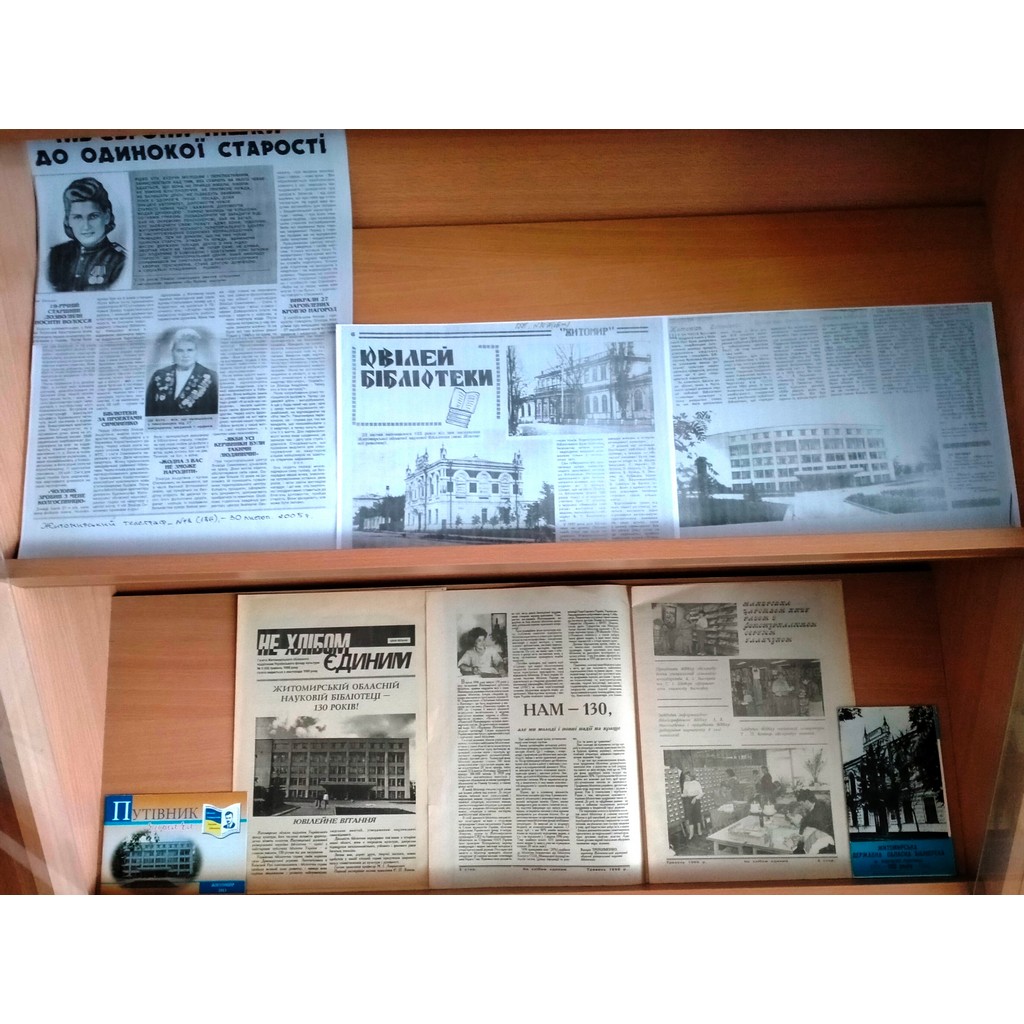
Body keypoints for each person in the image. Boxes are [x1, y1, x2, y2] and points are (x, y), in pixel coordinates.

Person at [47, 177, 126, 291]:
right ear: (68, 220)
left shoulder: (119, 261)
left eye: (93, 216)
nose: (86, 226)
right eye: (78, 217)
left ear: (107, 217)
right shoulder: (56, 255)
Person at [145, 328, 219, 416]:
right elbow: (149, 410)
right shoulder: (159, 375)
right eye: (180, 350)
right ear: (172, 352)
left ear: (196, 352)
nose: (185, 355)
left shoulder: (211, 376)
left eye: (190, 350)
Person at [787, 789, 836, 854]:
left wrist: (794, 846)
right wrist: (801, 837)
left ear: (807, 802)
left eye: (801, 804)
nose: (801, 806)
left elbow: (810, 839)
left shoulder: (815, 816)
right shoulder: (818, 807)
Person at [680, 770, 704, 840]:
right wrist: (680, 795)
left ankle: (699, 831)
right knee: (689, 816)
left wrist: (695, 798)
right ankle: (691, 833)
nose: (686, 778)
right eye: (685, 777)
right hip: (688, 800)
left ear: (691, 776)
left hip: (696, 799)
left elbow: (701, 793)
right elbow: (685, 793)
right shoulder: (685, 783)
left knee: (697, 815)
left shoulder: (696, 783)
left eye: (687, 777)